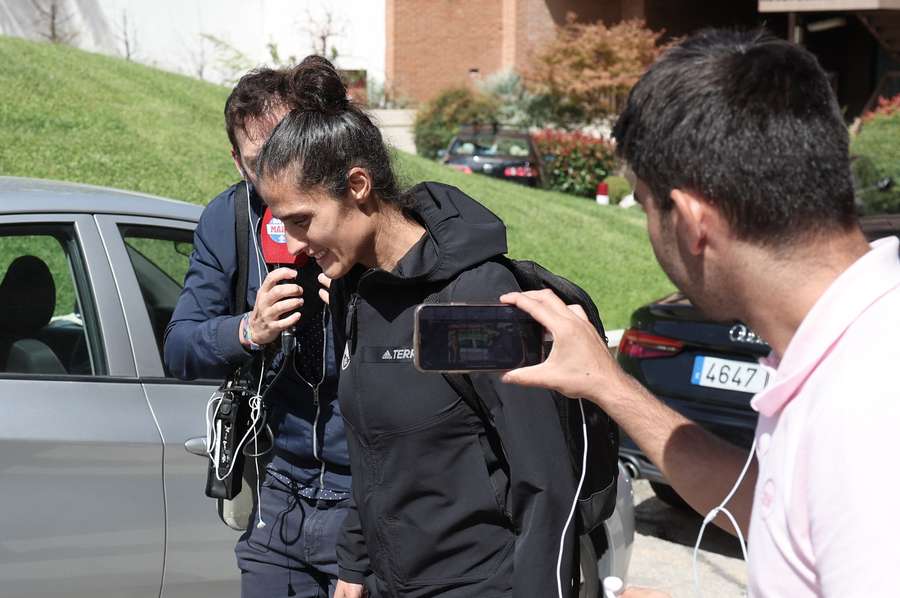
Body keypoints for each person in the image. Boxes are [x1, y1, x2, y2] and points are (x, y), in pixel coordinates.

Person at [500, 29, 900, 598]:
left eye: (644, 205)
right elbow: (774, 504)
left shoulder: (869, 406)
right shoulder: (852, 335)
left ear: (691, 221)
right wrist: (610, 386)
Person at [253, 57, 581, 598]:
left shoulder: (470, 299)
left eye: (301, 220)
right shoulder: (358, 295)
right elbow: (372, 451)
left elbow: (544, 482)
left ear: (358, 186)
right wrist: (353, 572)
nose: (292, 244)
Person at [164, 62, 356, 598]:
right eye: (257, 165)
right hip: (280, 484)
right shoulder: (227, 219)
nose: (275, 180)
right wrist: (249, 329)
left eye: (286, 155)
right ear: (236, 161)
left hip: (362, 491)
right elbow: (180, 349)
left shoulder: (355, 210)